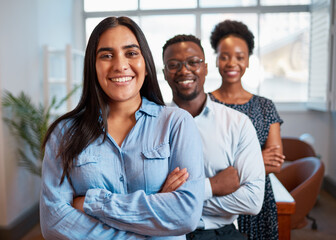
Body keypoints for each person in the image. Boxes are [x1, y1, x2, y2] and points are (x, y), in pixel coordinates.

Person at [40, 16, 205, 240]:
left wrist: (91, 203)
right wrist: (155, 209)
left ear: (146, 64)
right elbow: (55, 221)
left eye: (131, 53)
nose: (119, 65)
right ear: (93, 67)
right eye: (106, 55)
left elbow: (185, 214)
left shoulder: (176, 123)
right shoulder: (64, 132)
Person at [162, 34, 265, 240]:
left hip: (219, 234)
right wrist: (213, 187)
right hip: (165, 233)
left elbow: (252, 200)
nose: (184, 70)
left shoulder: (238, 123)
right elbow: (145, 193)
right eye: (174, 65)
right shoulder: (153, 123)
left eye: (193, 62)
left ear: (206, 68)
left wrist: (175, 200)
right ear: (165, 73)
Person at [209, 19, 285, 240]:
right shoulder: (204, 104)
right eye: (224, 56)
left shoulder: (265, 106)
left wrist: (225, 171)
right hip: (217, 203)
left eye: (240, 57)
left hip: (257, 200)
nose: (232, 63)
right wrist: (255, 161)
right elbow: (200, 164)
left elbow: (274, 163)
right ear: (216, 60)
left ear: (248, 61)